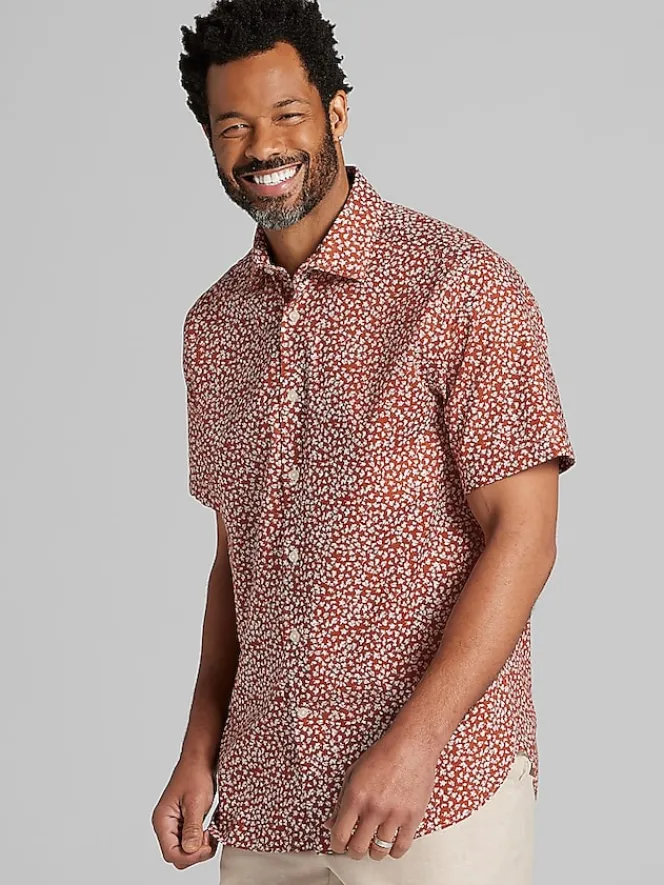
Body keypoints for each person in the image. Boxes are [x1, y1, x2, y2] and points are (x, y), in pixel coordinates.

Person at [151, 1, 577, 882]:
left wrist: (418, 741)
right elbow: (240, 556)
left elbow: (526, 536)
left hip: (437, 799)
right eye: (234, 126)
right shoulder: (212, 328)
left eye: (287, 115)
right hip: (267, 798)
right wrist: (200, 746)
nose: (262, 146)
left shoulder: (461, 287)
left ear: (336, 111)